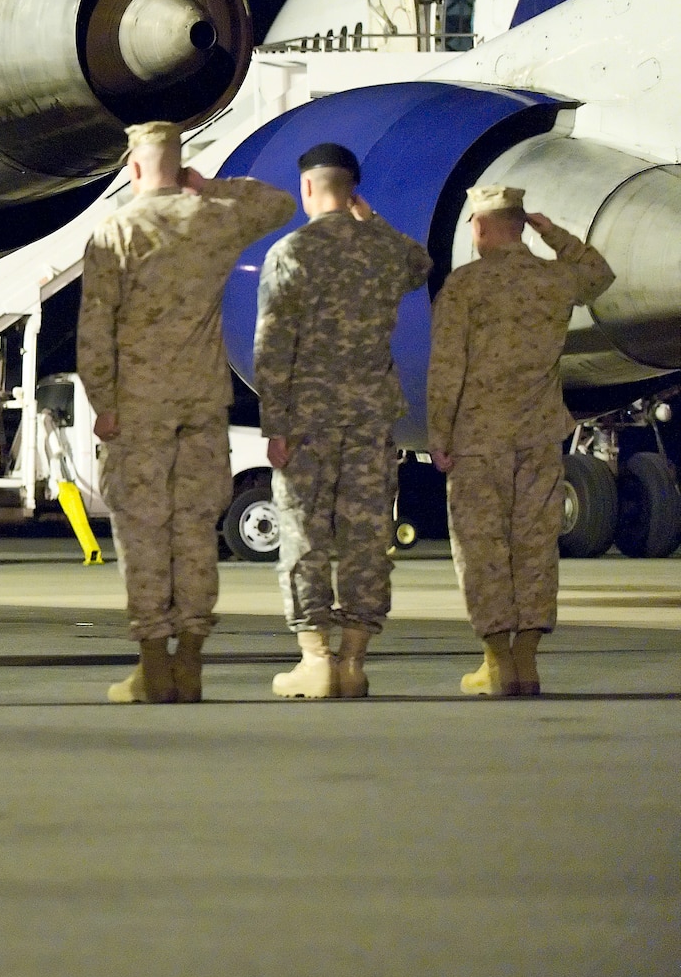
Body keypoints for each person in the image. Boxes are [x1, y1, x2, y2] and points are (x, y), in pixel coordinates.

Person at [77, 122, 294, 704]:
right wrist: (207, 185)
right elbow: (279, 203)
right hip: (202, 400)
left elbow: (95, 330)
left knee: (143, 532)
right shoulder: (215, 218)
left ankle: (153, 666)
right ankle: (191, 662)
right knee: (196, 530)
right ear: (177, 163)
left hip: (139, 405)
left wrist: (103, 404)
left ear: (133, 167)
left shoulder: (116, 230)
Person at [254, 144, 431, 698]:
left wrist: (274, 423)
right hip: (371, 417)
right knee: (366, 537)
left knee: (304, 534)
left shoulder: (292, 252)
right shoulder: (384, 251)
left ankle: (316, 659)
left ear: (307, 188)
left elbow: (272, 345)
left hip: (308, 420)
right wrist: (370, 220)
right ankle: (354, 661)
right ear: (352, 191)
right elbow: (421, 264)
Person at [427, 184, 614, 697]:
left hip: (476, 440)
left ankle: (496, 663)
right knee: (534, 546)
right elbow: (600, 274)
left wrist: (438, 434)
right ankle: (527, 664)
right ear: (519, 223)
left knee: (482, 548)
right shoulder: (554, 279)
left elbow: (446, 369)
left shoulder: (465, 286)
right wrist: (552, 233)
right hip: (538, 434)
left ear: (482, 226)